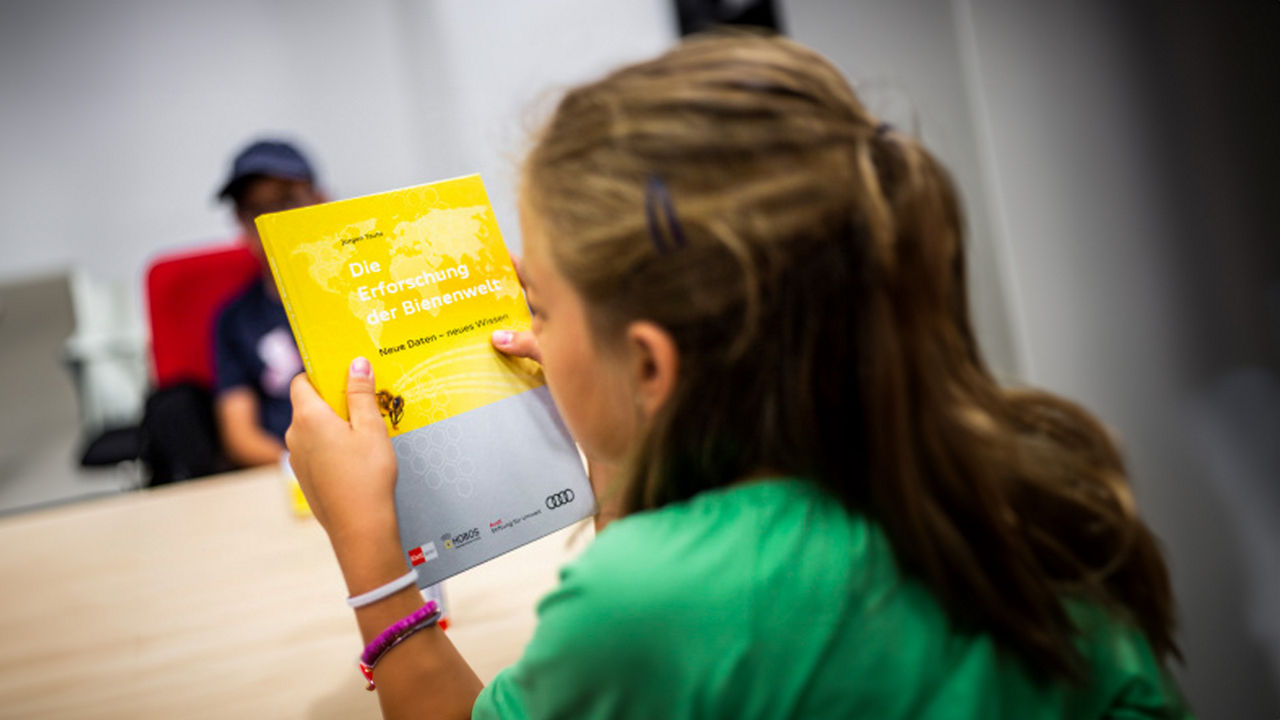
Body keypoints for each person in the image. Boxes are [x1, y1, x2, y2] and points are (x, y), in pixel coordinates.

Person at [284, 35, 1193, 718]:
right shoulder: (1028, 474)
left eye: (545, 309)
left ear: (649, 363)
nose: (528, 335)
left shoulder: (646, 603)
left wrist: (370, 556)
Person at [213, 140, 325, 467]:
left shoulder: (364, 291)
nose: (272, 221)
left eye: (286, 202)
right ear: (241, 221)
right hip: (289, 470)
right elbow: (240, 435)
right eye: (256, 211)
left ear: (318, 200)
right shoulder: (235, 320)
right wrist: (300, 466)